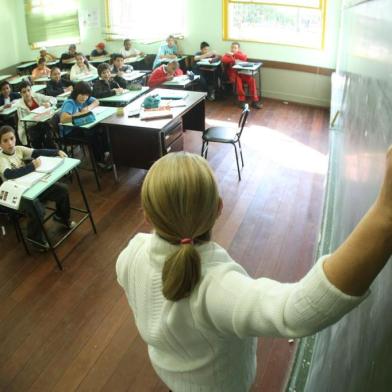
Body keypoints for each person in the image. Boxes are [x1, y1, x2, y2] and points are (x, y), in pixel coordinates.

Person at [116, 150, 392, 392]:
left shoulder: (129, 255)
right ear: (218, 209)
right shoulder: (217, 288)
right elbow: (297, 311)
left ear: (147, 215)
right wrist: (385, 216)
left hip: (170, 375)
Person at [0, 125, 75, 248]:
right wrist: (31, 167)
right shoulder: (1, 158)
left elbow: (37, 152)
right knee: (38, 210)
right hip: (17, 194)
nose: (10, 143)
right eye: (5, 141)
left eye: (12, 138)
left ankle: (61, 217)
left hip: (30, 185)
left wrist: (56, 152)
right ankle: (34, 237)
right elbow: (8, 174)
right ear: (0, 144)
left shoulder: (18, 149)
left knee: (62, 190)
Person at [59, 81, 110, 169]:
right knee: (94, 135)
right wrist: (80, 114)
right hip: (70, 132)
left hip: (81, 127)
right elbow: (63, 119)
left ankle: (106, 152)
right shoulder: (70, 102)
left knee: (103, 129)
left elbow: (96, 101)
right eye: (82, 95)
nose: (84, 98)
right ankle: (99, 161)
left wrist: (88, 108)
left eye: (86, 95)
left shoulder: (86, 98)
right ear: (76, 93)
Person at [16, 81, 57, 148]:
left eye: (28, 90)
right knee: (36, 135)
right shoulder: (20, 106)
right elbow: (24, 123)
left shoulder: (36, 96)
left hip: (42, 123)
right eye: (24, 92)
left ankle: (51, 149)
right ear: (20, 94)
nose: (27, 93)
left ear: (31, 90)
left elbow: (54, 99)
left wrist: (49, 103)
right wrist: (37, 118)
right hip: (30, 128)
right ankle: (40, 150)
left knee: (48, 131)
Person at [222, 42, 262, 109]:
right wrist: (232, 57)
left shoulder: (240, 54)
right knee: (238, 81)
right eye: (232, 47)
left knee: (252, 80)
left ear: (238, 49)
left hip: (243, 73)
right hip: (233, 75)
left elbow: (244, 57)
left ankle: (255, 101)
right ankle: (241, 100)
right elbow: (224, 60)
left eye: (235, 48)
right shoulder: (227, 54)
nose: (233, 49)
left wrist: (234, 54)